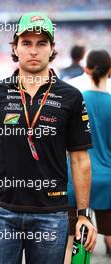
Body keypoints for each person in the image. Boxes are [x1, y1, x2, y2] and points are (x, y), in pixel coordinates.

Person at [0, 12, 96, 264]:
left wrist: (83, 215)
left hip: (52, 215)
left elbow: (80, 159)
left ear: (52, 49)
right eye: (26, 43)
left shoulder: (71, 96)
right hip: (3, 212)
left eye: (41, 43)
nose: (33, 50)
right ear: (15, 47)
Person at [65, 50, 111, 263]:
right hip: (108, 181)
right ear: (109, 71)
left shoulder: (76, 99)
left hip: (76, 177)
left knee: (72, 239)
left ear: (87, 69)